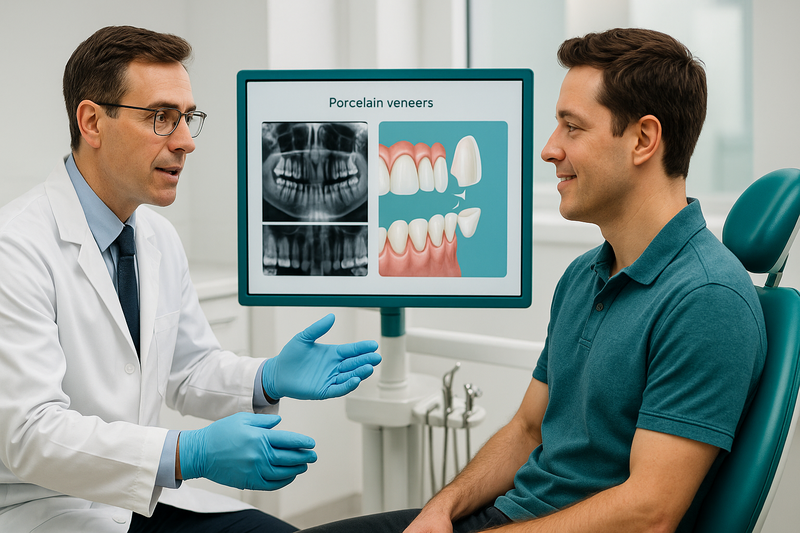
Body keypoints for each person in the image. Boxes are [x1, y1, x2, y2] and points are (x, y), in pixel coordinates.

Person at [297, 27, 766, 533]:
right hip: (510, 517)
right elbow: (526, 429)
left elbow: (648, 513)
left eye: (572, 127)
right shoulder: (584, 275)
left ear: (643, 140)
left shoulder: (707, 299)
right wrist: (441, 509)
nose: (548, 149)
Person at [0, 25, 381, 532]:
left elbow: (187, 367)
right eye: (161, 118)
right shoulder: (16, 248)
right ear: (92, 121)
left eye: (186, 119)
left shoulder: (155, 237)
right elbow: (28, 433)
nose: (185, 143)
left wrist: (266, 375)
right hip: (40, 509)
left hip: (132, 501)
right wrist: (187, 453)